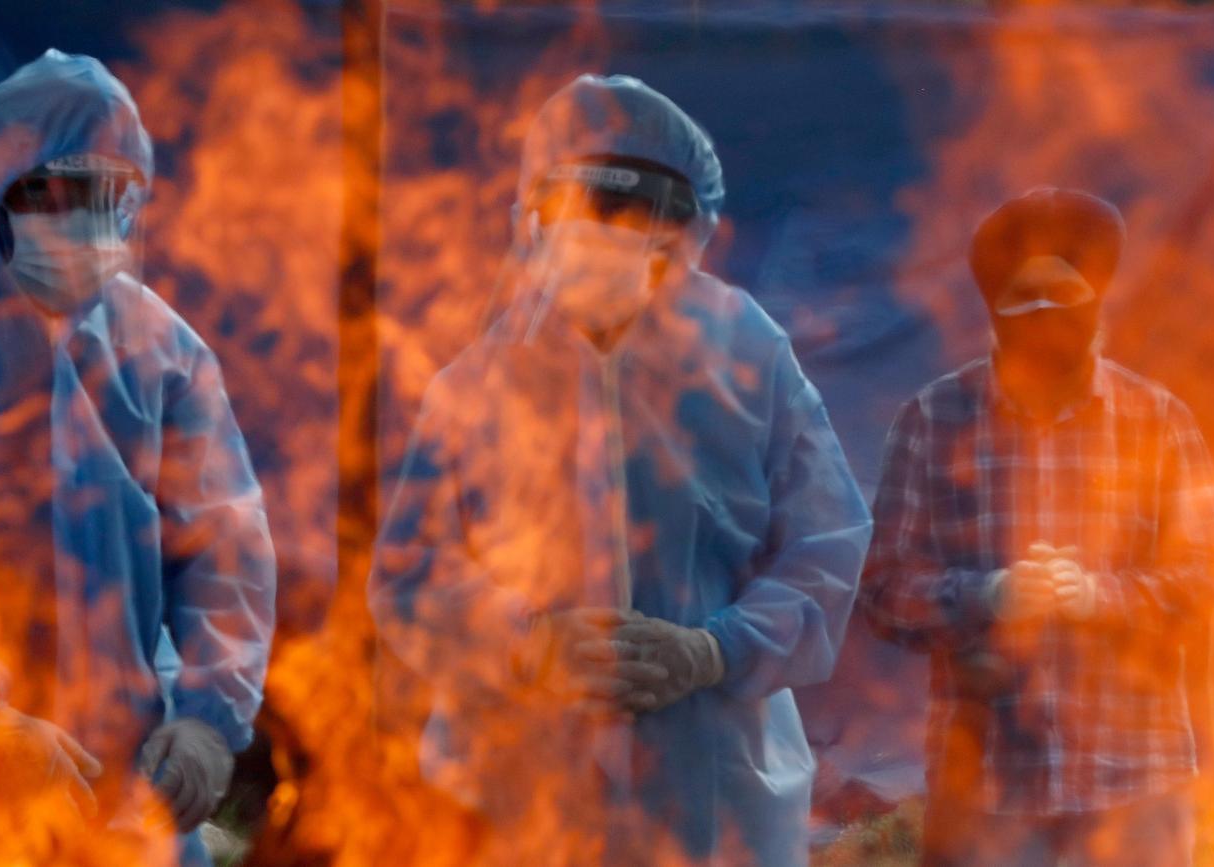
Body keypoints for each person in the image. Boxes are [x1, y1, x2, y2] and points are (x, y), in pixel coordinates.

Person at [369, 73, 872, 865]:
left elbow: (829, 542)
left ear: (682, 235)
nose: (603, 243)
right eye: (582, 217)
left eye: (631, 222)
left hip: (719, 793)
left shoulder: (749, 358)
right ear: (534, 224)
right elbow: (411, 576)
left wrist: (715, 650)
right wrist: (526, 643)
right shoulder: (477, 384)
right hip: (516, 794)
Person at [0, 50, 276, 865]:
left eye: (110, 196)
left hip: (127, 802)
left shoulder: (162, 352)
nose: (84, 223)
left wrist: (205, 719)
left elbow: (222, 545)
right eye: (57, 193)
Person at [861, 188, 1214, 866]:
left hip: (1135, 777)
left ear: (1098, 299)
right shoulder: (934, 419)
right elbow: (884, 589)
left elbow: (1202, 580)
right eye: (1025, 298)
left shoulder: (1159, 421)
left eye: (1065, 295)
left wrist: (1096, 597)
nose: (1047, 318)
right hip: (991, 785)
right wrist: (991, 594)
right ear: (993, 310)